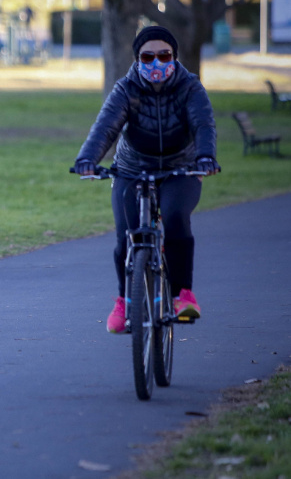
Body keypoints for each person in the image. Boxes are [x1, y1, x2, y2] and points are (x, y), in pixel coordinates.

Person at [73, 25, 220, 334]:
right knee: (125, 235)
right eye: (147, 57)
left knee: (176, 218)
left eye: (164, 56)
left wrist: (206, 156)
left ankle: (182, 296)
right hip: (132, 169)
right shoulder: (125, 88)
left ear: (174, 57)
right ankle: (125, 301)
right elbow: (105, 127)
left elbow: (203, 124)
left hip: (181, 169)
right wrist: (87, 159)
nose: (156, 63)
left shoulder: (190, 87)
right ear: (137, 59)